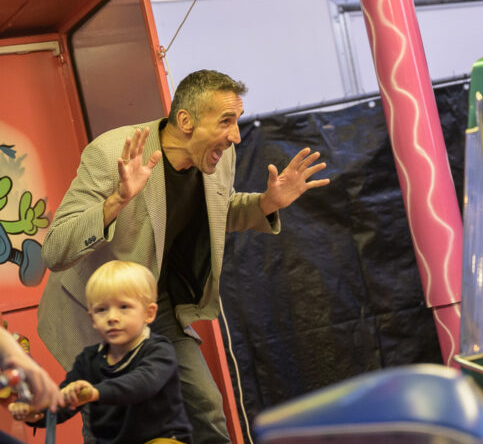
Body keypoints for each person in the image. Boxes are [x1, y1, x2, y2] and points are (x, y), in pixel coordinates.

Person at [38, 69, 330, 443]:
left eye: (237, 121)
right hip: (97, 309)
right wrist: (117, 200)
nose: (236, 136)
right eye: (225, 121)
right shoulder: (112, 153)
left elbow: (218, 211)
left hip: (156, 303)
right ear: (186, 121)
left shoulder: (219, 157)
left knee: (205, 404)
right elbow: (55, 249)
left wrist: (266, 203)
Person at [10, 260, 191, 443]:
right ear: (93, 319)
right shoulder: (88, 360)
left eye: (124, 307)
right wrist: (35, 412)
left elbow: (142, 383)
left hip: (160, 439)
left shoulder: (159, 350)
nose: (112, 317)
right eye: (102, 310)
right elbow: (63, 403)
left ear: (148, 313)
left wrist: (96, 392)